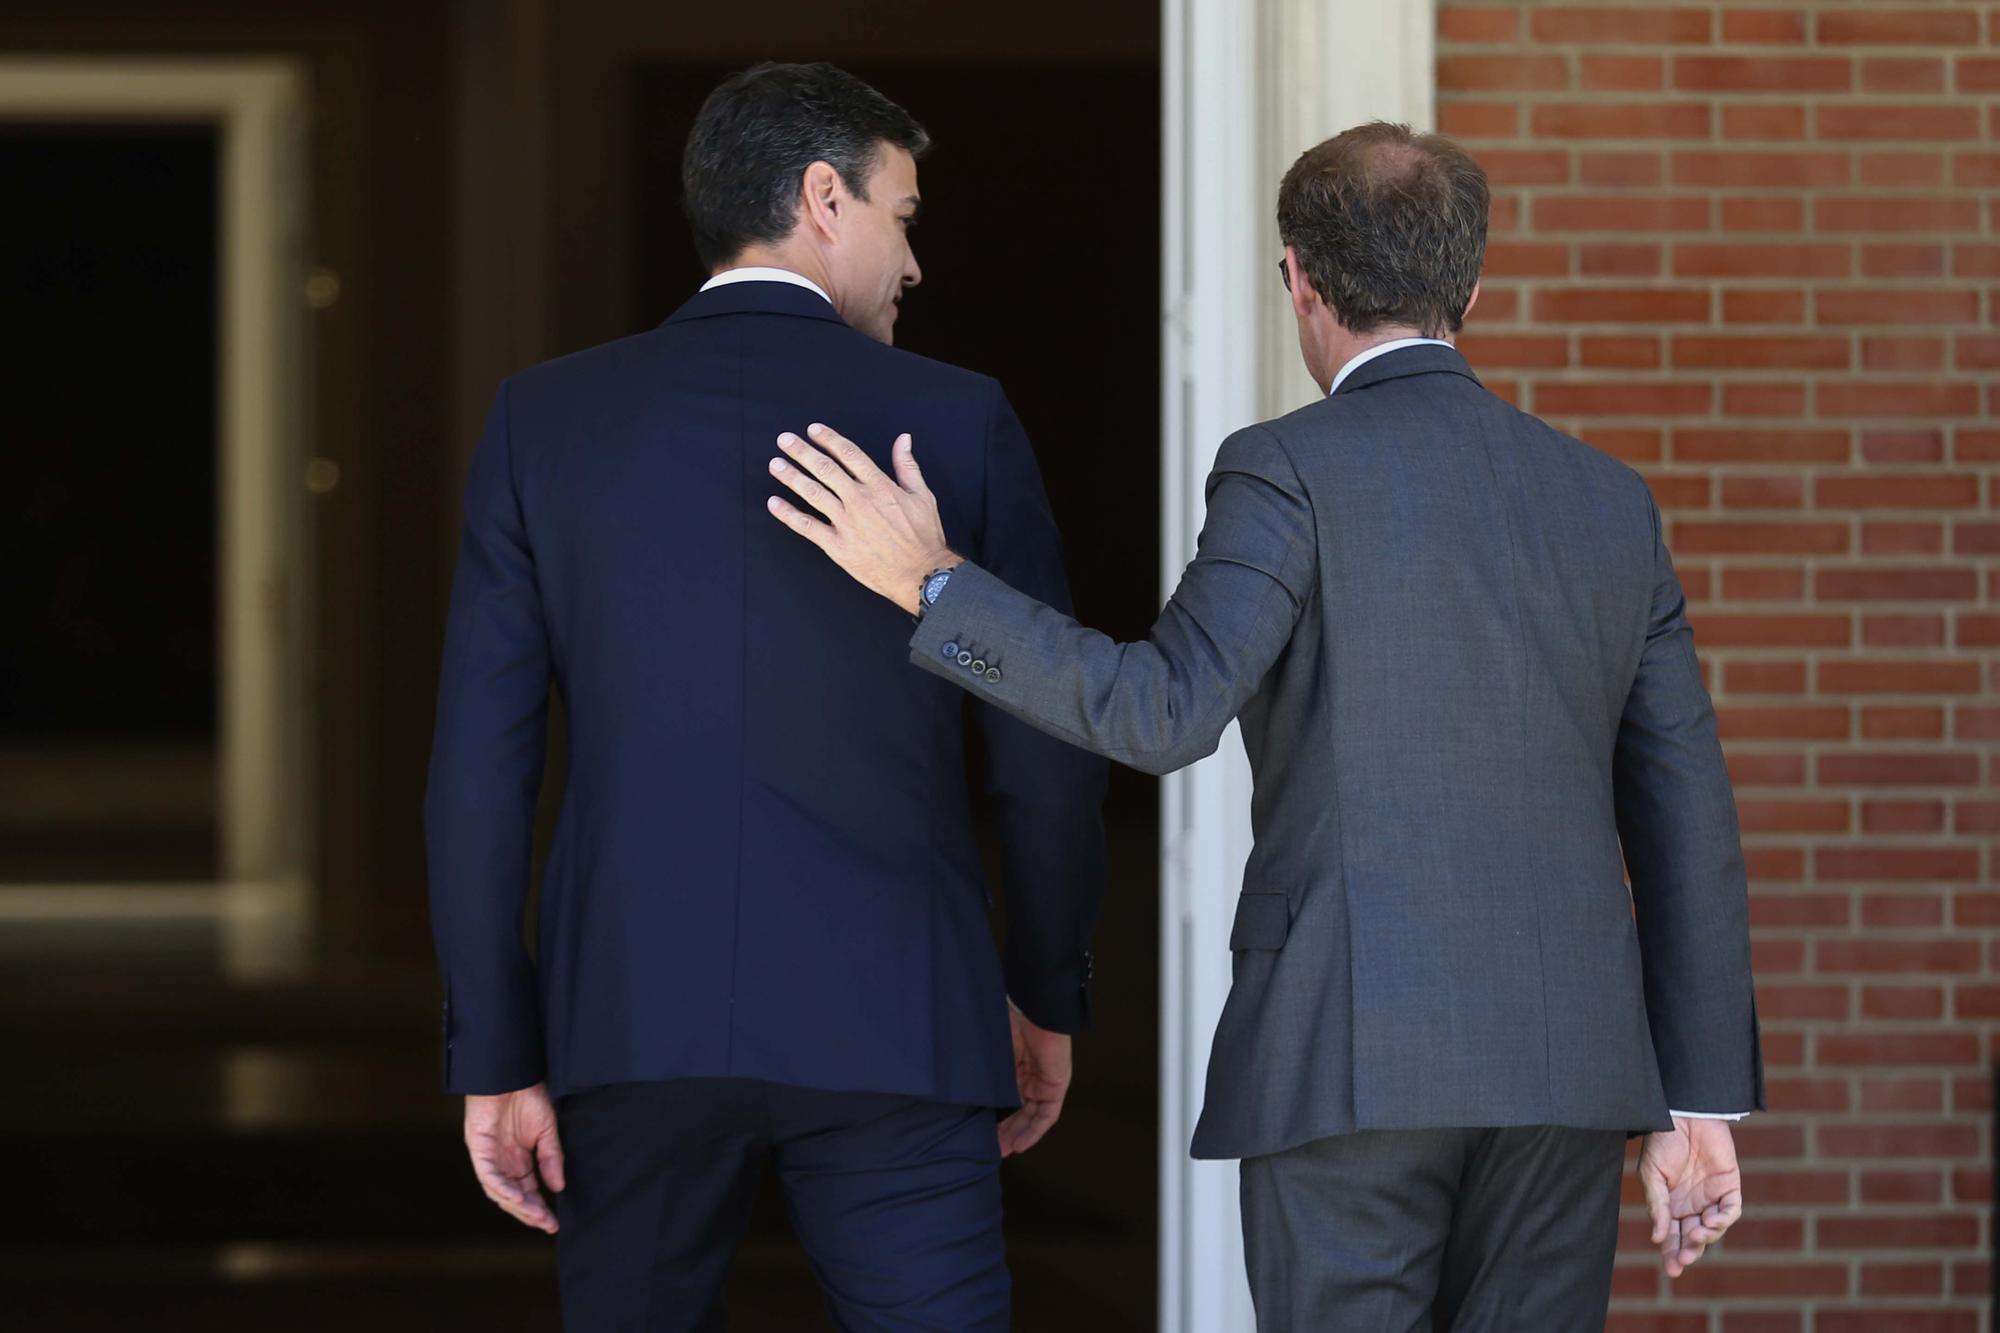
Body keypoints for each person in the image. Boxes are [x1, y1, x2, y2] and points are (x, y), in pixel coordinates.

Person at [765, 121, 1763, 1330]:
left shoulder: (1284, 468)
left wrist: (934, 584)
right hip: (1568, 1072)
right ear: (1471, 285)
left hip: (1346, 1057)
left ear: (1296, 276)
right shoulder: (1607, 502)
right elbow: (1684, 813)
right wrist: (1697, 1098)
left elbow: (1160, 708)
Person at [424, 61, 1107, 1331]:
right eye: (903, 217)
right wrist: (1039, 992)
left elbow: (480, 767)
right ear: (821, 200)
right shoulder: (959, 418)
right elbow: (1043, 753)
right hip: (902, 1025)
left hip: (628, 1025)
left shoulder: (547, 423)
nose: (914, 265)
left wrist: (498, 1056)